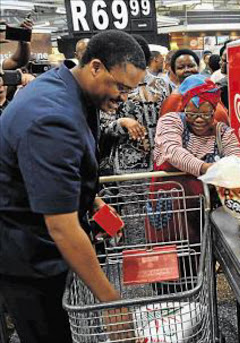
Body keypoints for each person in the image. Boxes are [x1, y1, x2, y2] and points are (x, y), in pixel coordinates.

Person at [0, 30, 146, 342]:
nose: (123, 98)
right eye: (120, 87)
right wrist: (113, 304)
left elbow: (68, 167)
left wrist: (94, 203)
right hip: (28, 256)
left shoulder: (69, 85)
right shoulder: (51, 119)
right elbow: (62, 228)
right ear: (95, 66)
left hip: (38, 240)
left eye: (129, 90)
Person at [99, 34, 168, 176]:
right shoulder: (112, 87)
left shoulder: (161, 85)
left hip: (163, 162)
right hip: (128, 166)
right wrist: (122, 122)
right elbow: (103, 127)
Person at [154, 74, 240, 176]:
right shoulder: (170, 121)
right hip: (172, 189)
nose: (199, 120)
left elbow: (236, 160)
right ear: (184, 110)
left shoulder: (223, 133)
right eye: (192, 114)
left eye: (206, 114)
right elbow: (172, 151)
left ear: (214, 113)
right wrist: (208, 169)